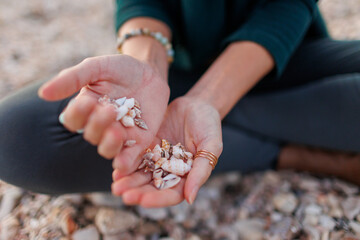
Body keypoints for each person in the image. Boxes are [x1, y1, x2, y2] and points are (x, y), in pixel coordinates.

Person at [0, 0, 360, 208]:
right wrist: (147, 68)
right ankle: (293, 152)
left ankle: (217, 128)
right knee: (11, 136)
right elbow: (141, 2)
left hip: (282, 59)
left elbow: (287, 8)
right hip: (175, 72)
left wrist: (208, 100)